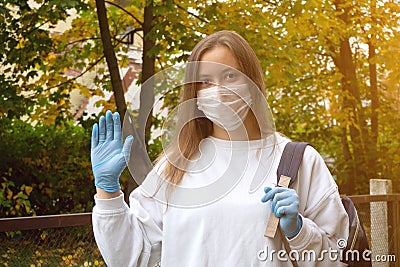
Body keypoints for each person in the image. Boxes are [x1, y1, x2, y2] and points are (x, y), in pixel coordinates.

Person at [91, 30, 349, 266]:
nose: (218, 91)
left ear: (252, 82)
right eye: (205, 81)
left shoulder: (298, 160)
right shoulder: (174, 166)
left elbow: (337, 258)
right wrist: (107, 191)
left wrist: (299, 231)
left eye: (229, 76)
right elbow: (131, 257)